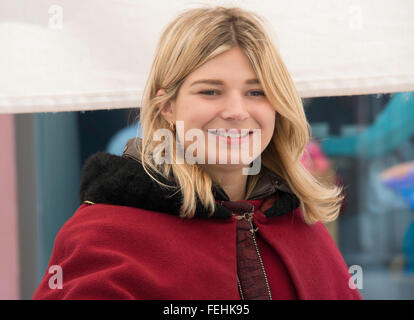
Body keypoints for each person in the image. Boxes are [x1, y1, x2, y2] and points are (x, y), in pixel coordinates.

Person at [32, 6, 361, 300]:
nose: (236, 110)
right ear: (167, 107)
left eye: (256, 91)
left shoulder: (302, 226)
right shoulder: (104, 233)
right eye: (210, 91)